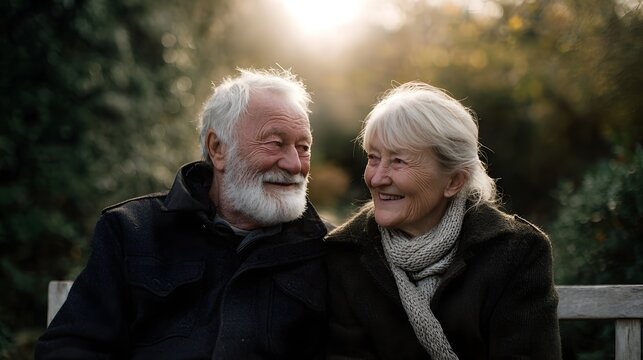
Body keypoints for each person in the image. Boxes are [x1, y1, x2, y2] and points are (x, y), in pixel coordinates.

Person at [36, 68, 330, 359]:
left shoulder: (328, 250)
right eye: (275, 143)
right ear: (218, 149)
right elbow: (69, 348)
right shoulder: (132, 231)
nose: (295, 165)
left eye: (303, 148)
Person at [325, 82, 561, 359]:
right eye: (373, 158)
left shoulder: (517, 252)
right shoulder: (345, 254)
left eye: (399, 161)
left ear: (454, 181)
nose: (377, 178)